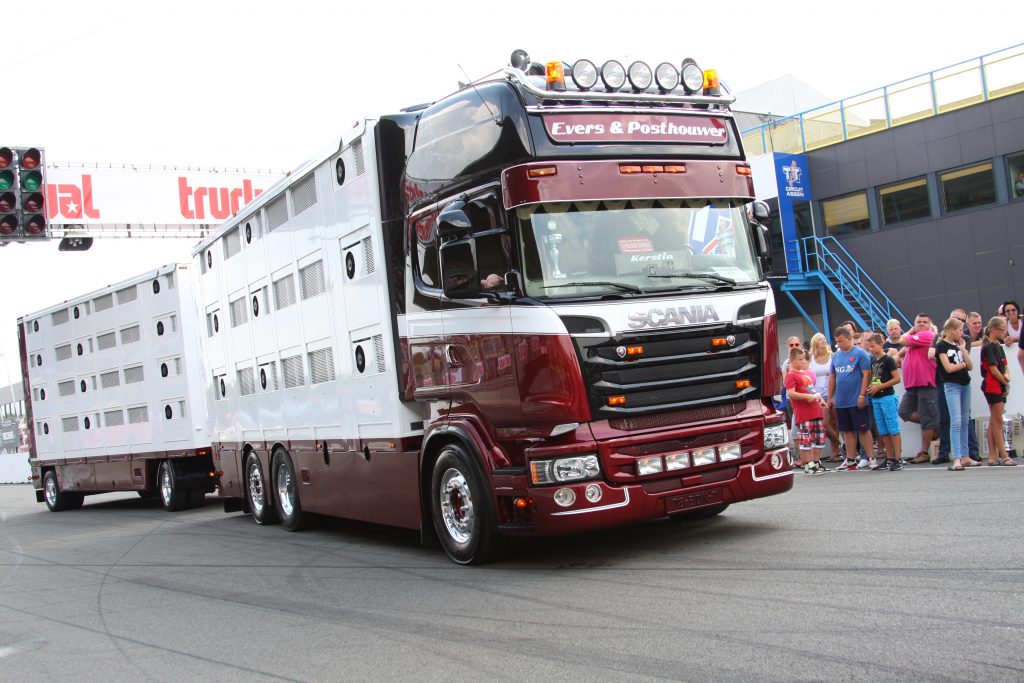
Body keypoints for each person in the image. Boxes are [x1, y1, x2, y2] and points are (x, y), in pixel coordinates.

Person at [828, 326, 874, 471]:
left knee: (863, 429)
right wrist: (830, 397)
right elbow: (833, 376)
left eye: (841, 341)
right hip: (842, 401)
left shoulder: (860, 354)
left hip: (857, 399)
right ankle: (851, 459)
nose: (839, 344)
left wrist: (862, 395)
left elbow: (867, 375)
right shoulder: (836, 356)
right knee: (847, 431)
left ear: (849, 339)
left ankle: (871, 458)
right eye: (837, 342)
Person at [898, 313, 939, 464]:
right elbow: (901, 351)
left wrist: (911, 330)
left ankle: (924, 452)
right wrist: (896, 356)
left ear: (929, 325)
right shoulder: (916, 340)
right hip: (913, 384)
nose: (921, 324)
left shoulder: (927, 335)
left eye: (924, 322)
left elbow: (902, 340)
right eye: (918, 322)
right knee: (904, 411)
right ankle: (935, 423)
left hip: (925, 382)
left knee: (926, 417)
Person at [935, 318, 975, 471]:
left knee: (965, 420)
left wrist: (963, 350)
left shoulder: (959, 345)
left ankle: (965, 455)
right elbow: (948, 368)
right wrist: (963, 364)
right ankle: (957, 457)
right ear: (951, 330)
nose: (961, 332)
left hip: (965, 383)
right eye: (959, 330)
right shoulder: (941, 346)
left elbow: (970, 366)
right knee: (956, 420)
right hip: (952, 385)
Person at [785, 347, 828, 475]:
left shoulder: (804, 373)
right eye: (800, 359)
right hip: (803, 413)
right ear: (792, 360)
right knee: (806, 438)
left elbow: (811, 390)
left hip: (814, 410)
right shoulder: (791, 375)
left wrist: (820, 400)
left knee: (819, 437)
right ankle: (808, 463)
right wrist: (807, 397)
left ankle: (816, 461)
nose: (803, 361)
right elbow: (791, 393)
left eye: (803, 358)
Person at [981, 316, 1016, 466]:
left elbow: (1005, 365)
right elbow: (993, 370)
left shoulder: (998, 346)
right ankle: (1004, 455)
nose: (1004, 333)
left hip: (998, 385)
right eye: (1002, 330)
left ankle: (993, 456)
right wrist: (1005, 382)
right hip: (992, 386)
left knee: (994, 421)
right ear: (994, 329)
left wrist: (1007, 376)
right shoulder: (988, 346)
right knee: (997, 421)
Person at [865, 333, 903, 471]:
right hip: (876, 398)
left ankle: (898, 458)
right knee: (883, 430)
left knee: (893, 428)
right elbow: (875, 378)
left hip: (887, 397)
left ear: (881, 345)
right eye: (868, 346)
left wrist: (879, 387)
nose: (870, 349)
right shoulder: (874, 361)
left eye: (872, 346)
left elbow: (896, 379)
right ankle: (890, 458)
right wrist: (871, 387)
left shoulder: (888, 360)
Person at [808, 332, 843, 459]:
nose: (823, 341)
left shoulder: (832, 356)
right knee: (824, 424)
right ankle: (839, 444)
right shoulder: (810, 357)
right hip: (816, 395)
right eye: (820, 339)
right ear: (815, 342)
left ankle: (836, 453)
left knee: (834, 423)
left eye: (824, 339)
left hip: (832, 393)